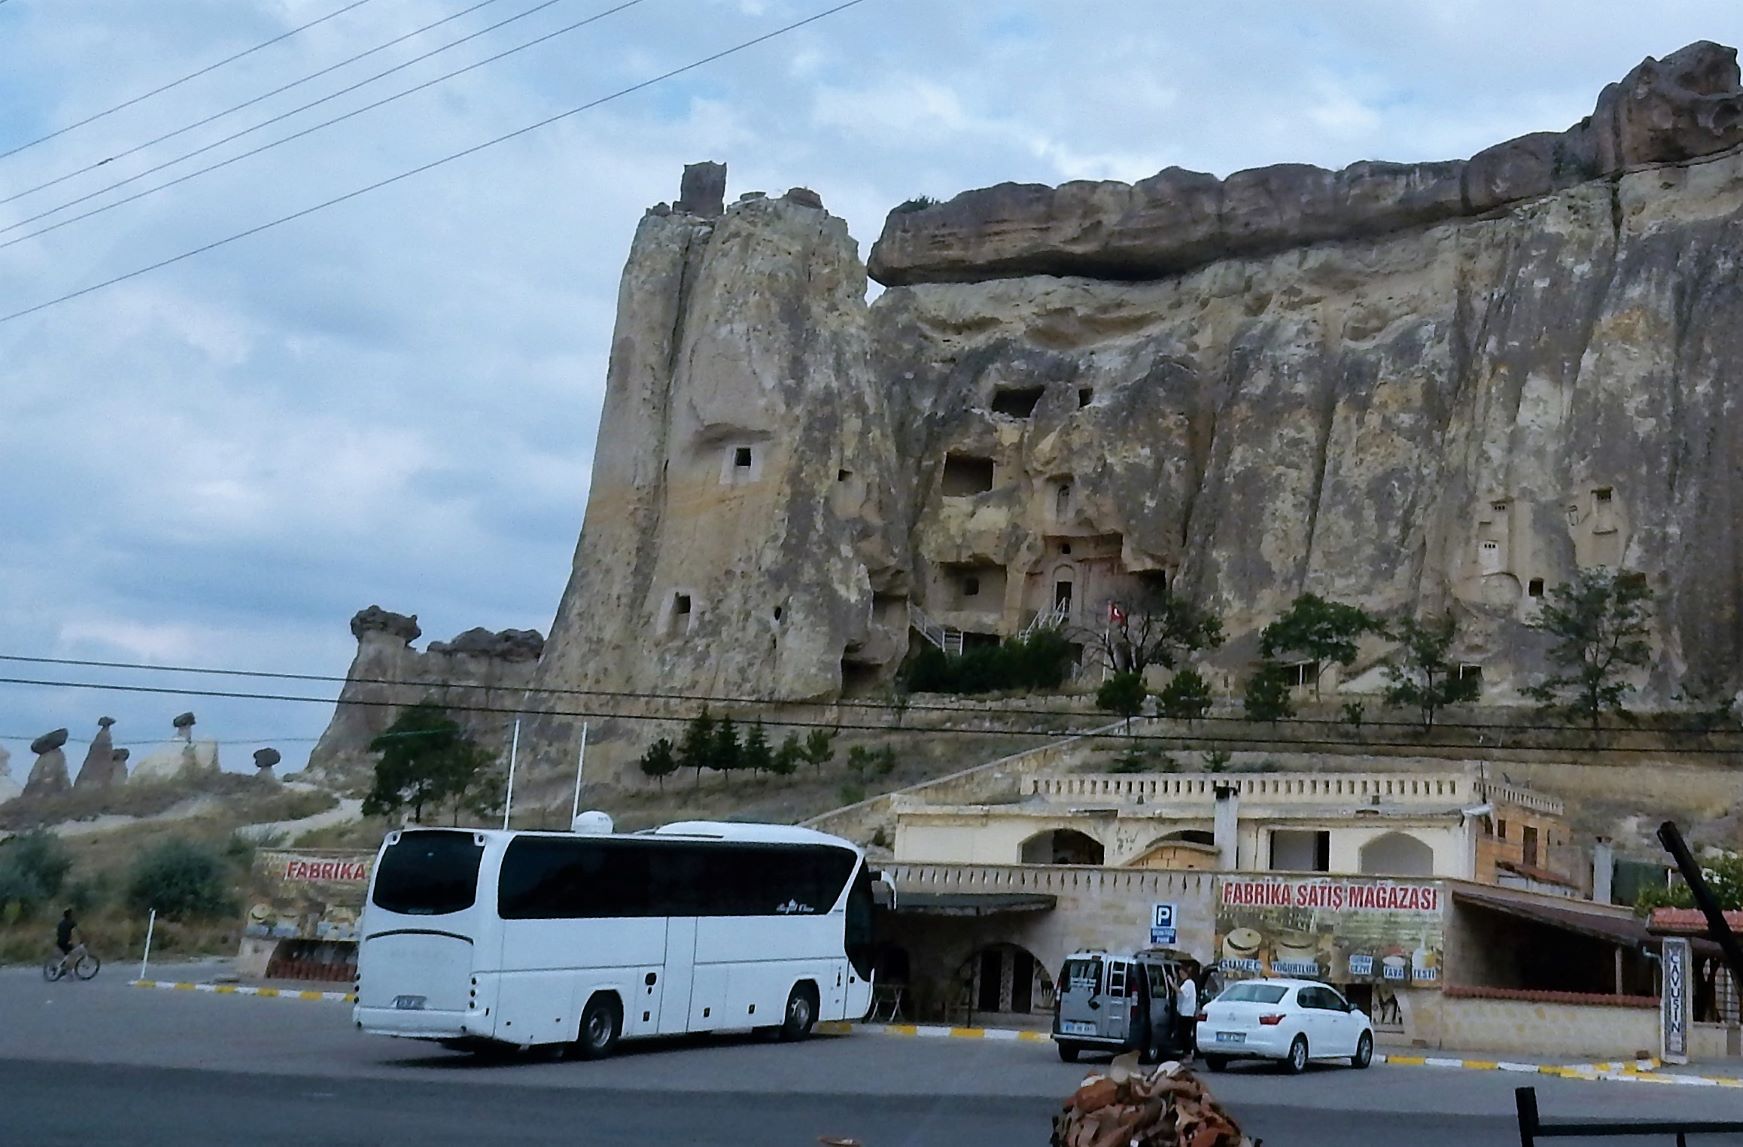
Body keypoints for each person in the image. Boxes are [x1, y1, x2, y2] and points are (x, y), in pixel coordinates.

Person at [1174, 959, 1199, 1057]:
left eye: (1182, 973)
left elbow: (1181, 992)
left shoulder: (1189, 983)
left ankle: (1189, 1054)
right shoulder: (1185, 982)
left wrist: (1171, 983)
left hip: (1187, 1013)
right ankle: (1186, 1053)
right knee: (1182, 1033)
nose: (1181, 975)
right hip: (1182, 1012)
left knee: (1185, 1034)